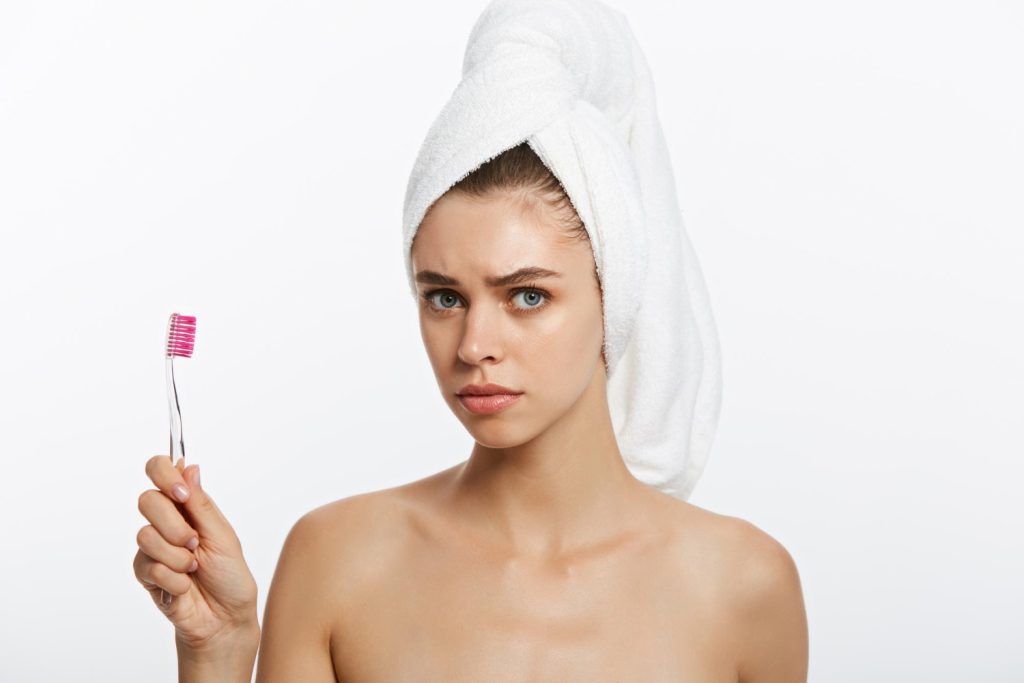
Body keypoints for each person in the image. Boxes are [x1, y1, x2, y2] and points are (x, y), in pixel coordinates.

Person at [134, 142, 808, 681]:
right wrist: (218, 652)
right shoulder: (337, 560)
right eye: (445, 298)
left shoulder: (744, 584)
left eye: (528, 296)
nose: (474, 345)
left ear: (615, 297)